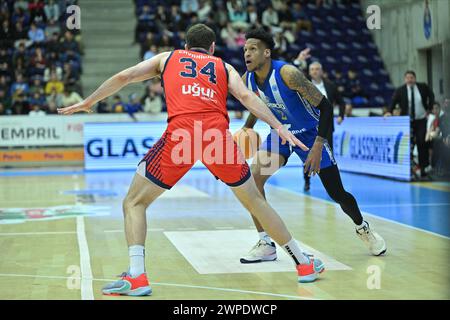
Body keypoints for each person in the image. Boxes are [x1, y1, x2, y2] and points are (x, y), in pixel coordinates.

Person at [58, 24, 325, 296]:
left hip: (181, 139)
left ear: (186, 46)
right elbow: (246, 97)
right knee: (256, 201)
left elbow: (125, 76)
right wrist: (278, 126)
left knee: (134, 202)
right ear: (212, 48)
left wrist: (88, 101)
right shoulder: (224, 67)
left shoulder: (167, 58)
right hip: (216, 139)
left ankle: (137, 276)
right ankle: (303, 264)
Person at [236, 28, 386, 264]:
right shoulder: (248, 79)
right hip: (282, 134)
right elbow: (257, 106)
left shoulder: (288, 73)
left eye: (252, 49)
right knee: (253, 180)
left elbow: (326, 107)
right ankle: (265, 242)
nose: (247, 53)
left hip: (311, 135)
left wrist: (318, 146)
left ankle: (362, 227)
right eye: (245, 49)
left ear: (266, 53)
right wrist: (247, 128)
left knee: (337, 194)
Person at [387, 70, 435, 179]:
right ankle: (409, 169)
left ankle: (424, 169)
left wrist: (430, 108)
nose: (410, 80)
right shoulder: (401, 90)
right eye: (408, 78)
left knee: (422, 142)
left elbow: (431, 95)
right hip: (407, 121)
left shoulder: (422, 87)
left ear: (415, 78)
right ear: (405, 79)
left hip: (421, 119)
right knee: (407, 144)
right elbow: (393, 101)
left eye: (412, 77)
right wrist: (389, 111)